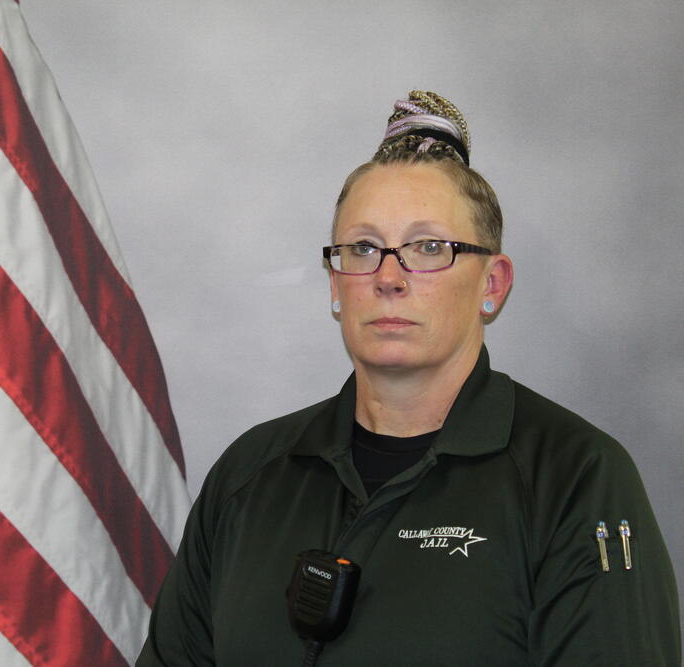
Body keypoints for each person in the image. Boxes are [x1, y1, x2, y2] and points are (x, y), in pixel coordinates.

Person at [137, 91, 681, 666]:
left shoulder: (574, 478)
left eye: (428, 248)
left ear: (492, 285)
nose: (389, 277)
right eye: (364, 247)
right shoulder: (249, 475)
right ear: (334, 284)